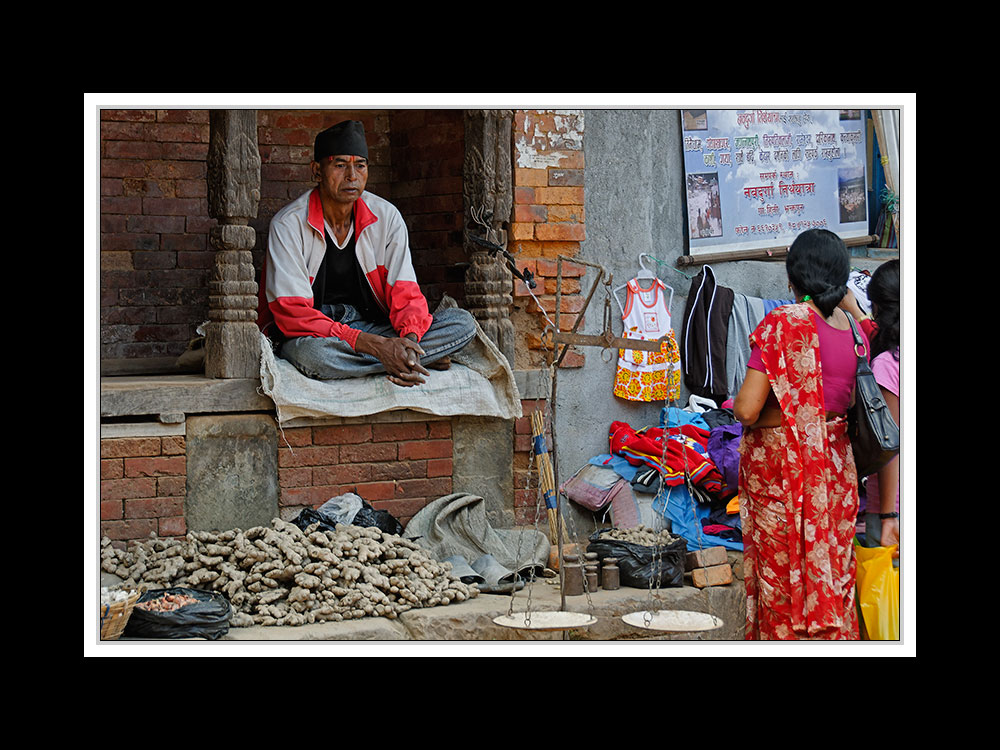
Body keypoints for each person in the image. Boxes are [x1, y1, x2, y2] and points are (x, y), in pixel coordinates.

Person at [257, 120, 477, 387]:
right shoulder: (289, 224)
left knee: (462, 323)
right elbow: (292, 313)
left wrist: (409, 342)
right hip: (317, 333)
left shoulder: (386, 217)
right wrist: (370, 345)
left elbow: (405, 293)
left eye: (360, 165)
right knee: (312, 356)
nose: (352, 175)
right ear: (317, 171)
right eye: (340, 165)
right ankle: (416, 360)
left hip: (372, 326)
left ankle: (402, 358)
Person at [733, 228, 870, 640]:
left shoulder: (784, 322)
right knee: (832, 570)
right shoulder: (855, 329)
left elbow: (745, 408)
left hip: (785, 474)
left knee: (782, 581)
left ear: (793, 277)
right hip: (835, 471)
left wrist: (780, 421)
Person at [841, 260, 901, 554]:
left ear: (877, 306)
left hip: (896, 508)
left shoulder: (889, 364)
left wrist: (888, 515)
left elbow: (889, 444)